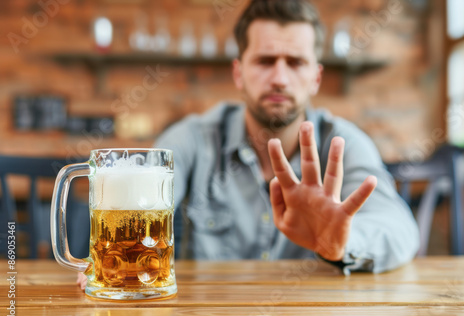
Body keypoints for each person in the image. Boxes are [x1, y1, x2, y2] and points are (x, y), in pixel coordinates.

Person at [78, 0, 418, 290]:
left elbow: (400, 231)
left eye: (296, 62)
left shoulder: (342, 143)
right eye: (265, 61)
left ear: (316, 77)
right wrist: (123, 255)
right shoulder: (194, 138)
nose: (280, 78)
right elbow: (145, 194)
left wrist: (344, 245)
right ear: (239, 73)